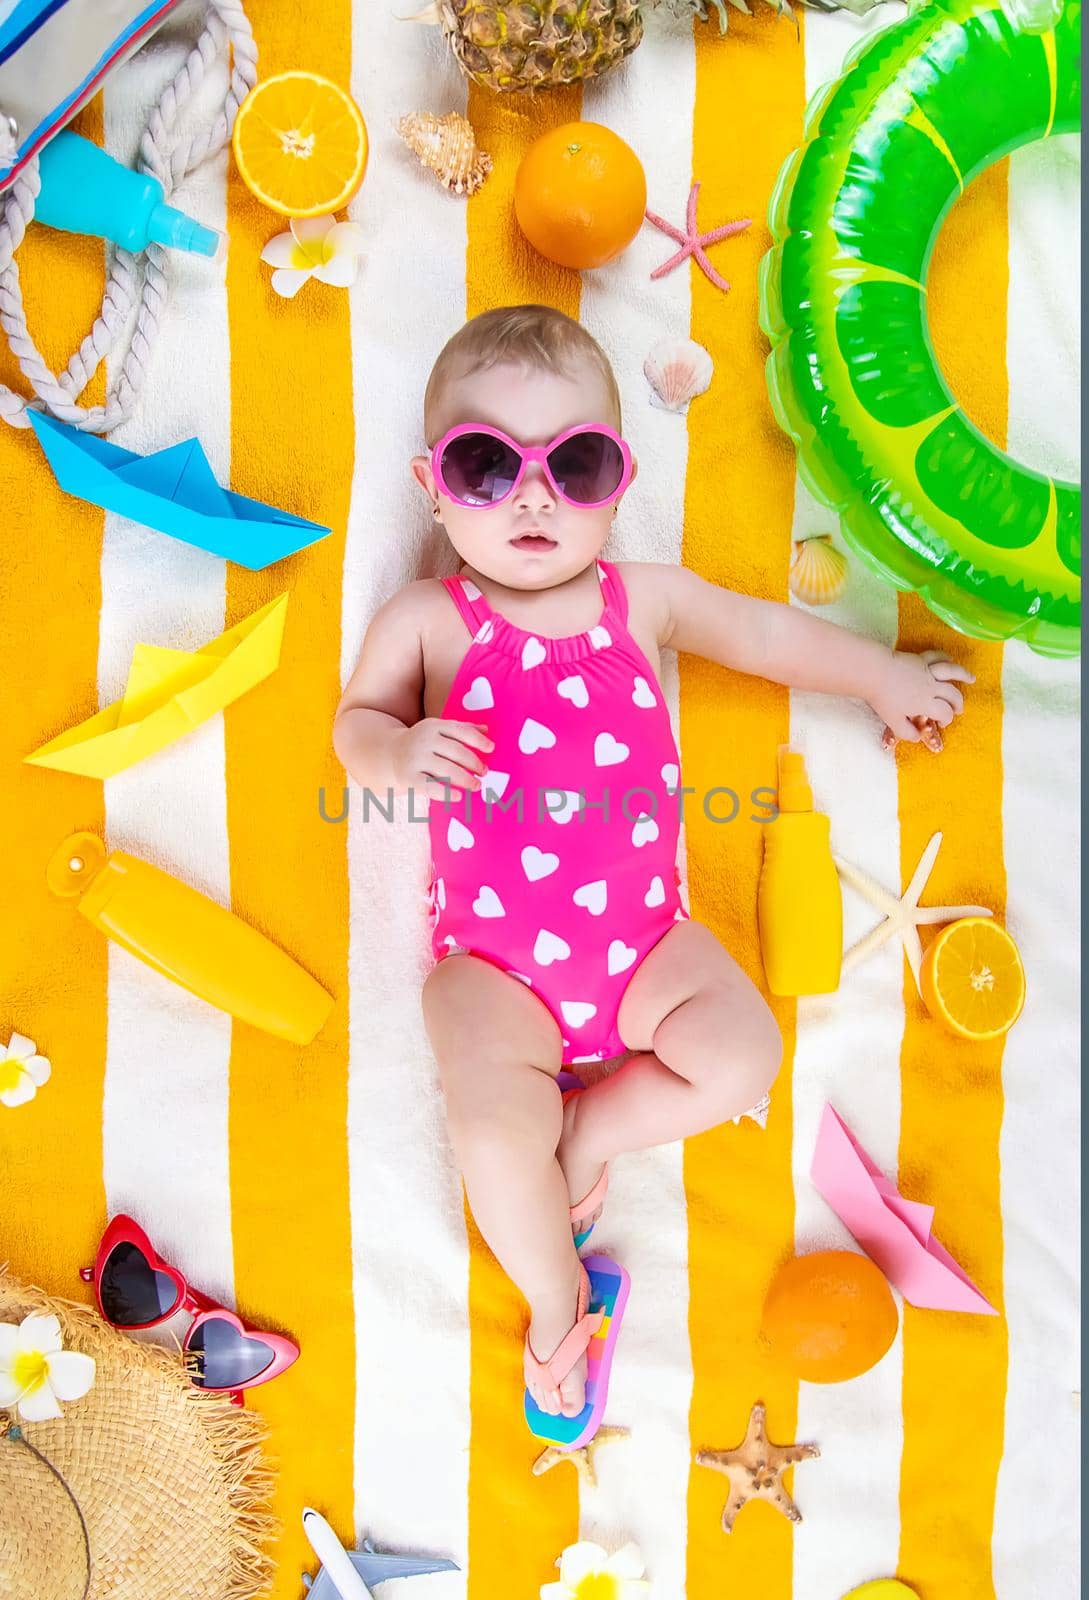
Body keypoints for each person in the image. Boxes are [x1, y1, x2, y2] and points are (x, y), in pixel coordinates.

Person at [333, 304, 973, 1425]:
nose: (533, 497)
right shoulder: (432, 617)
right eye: (487, 467)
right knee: (488, 1128)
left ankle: (591, 1131)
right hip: (494, 968)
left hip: (643, 948)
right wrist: (395, 747)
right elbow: (355, 728)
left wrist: (878, 677)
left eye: (572, 463)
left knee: (744, 1054)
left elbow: (768, 637)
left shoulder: (647, 599)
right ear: (431, 484)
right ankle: (555, 1302)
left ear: (617, 483)